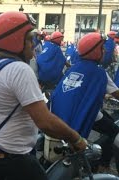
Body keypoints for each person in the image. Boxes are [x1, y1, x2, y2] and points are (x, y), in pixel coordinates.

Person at [0, 11, 86, 180]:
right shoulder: (19, 70)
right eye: (29, 39)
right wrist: (76, 138)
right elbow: (45, 122)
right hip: (13, 159)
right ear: (15, 40)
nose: (33, 44)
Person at [51, 32, 119, 172]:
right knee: (114, 131)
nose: (105, 50)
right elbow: (117, 94)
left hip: (65, 113)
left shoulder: (75, 67)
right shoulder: (99, 73)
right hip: (84, 111)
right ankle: (102, 164)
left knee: (108, 119)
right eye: (102, 48)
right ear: (95, 51)